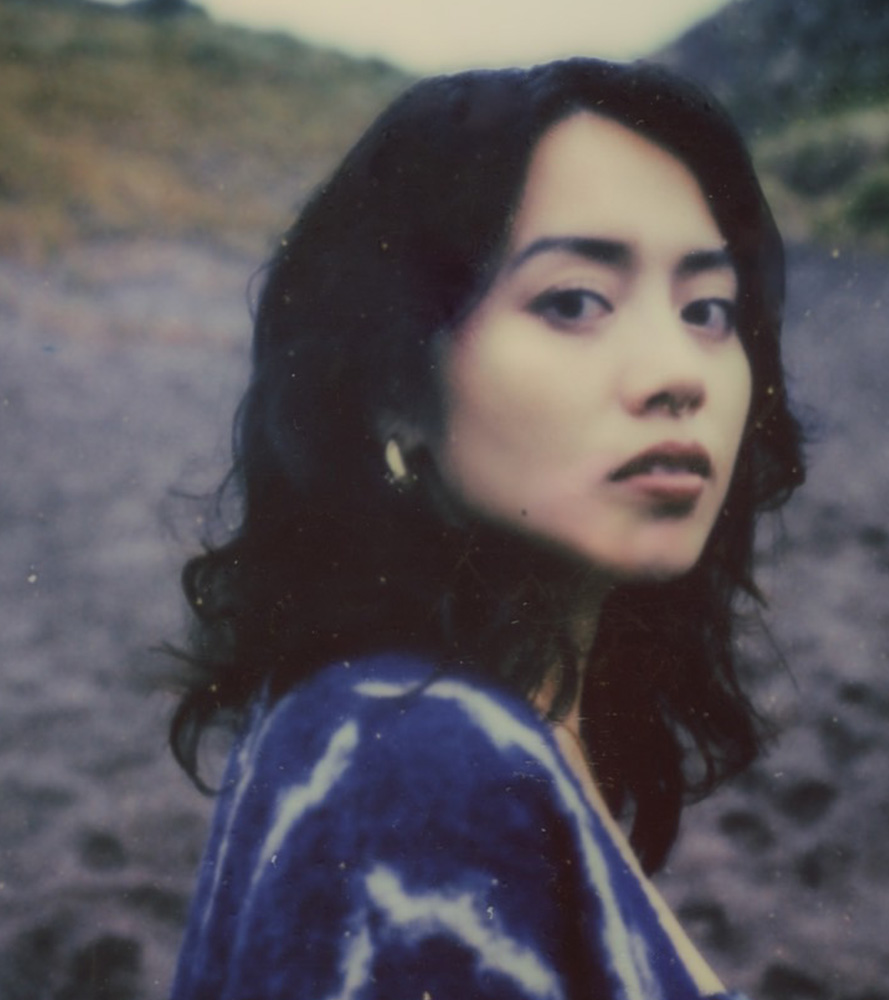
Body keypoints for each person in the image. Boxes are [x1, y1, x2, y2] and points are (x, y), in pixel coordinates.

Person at [168, 57, 804, 1000]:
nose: (679, 373)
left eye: (709, 311)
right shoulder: (428, 767)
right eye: (574, 301)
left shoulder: (386, 711)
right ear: (393, 385)